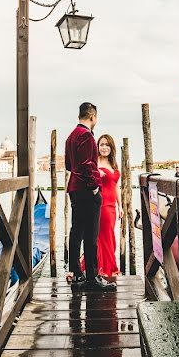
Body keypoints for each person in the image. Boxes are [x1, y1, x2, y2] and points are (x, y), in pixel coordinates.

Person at [65, 103, 116, 292]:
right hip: (87, 190)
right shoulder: (86, 135)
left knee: (76, 231)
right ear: (92, 116)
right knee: (91, 235)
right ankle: (93, 277)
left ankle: (77, 273)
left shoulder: (71, 136)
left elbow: (71, 165)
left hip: (74, 189)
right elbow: (87, 165)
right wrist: (95, 187)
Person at [81, 134, 121, 278]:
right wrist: (97, 175)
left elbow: (116, 187)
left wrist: (120, 206)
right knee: (102, 237)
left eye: (107, 145)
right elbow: (87, 182)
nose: (104, 147)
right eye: (102, 144)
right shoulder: (95, 163)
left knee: (109, 235)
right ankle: (101, 268)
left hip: (112, 207)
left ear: (111, 148)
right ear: (97, 147)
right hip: (100, 205)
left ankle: (103, 267)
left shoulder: (114, 164)